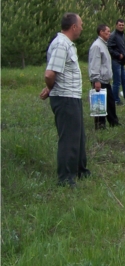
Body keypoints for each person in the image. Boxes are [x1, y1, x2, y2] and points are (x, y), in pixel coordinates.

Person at [39, 12, 90, 187]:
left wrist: (50, 87)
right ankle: (65, 178)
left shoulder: (67, 44)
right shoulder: (61, 44)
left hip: (72, 96)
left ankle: (80, 170)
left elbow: (58, 72)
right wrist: (51, 87)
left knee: (78, 137)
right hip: (65, 98)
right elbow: (50, 73)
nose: (82, 27)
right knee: (69, 138)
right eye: (81, 24)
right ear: (74, 26)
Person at [88, 24, 120, 130]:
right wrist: (96, 79)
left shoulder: (103, 45)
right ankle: (100, 125)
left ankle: (113, 121)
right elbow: (95, 63)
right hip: (100, 80)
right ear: (101, 32)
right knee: (99, 103)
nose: (109, 34)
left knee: (110, 102)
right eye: (107, 31)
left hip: (105, 79)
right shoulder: (97, 46)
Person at [107, 19, 125, 105]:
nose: (121, 26)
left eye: (122, 25)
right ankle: (115, 99)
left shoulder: (121, 35)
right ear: (116, 25)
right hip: (116, 61)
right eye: (120, 25)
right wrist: (118, 55)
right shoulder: (113, 35)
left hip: (122, 62)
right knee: (117, 82)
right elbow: (109, 48)